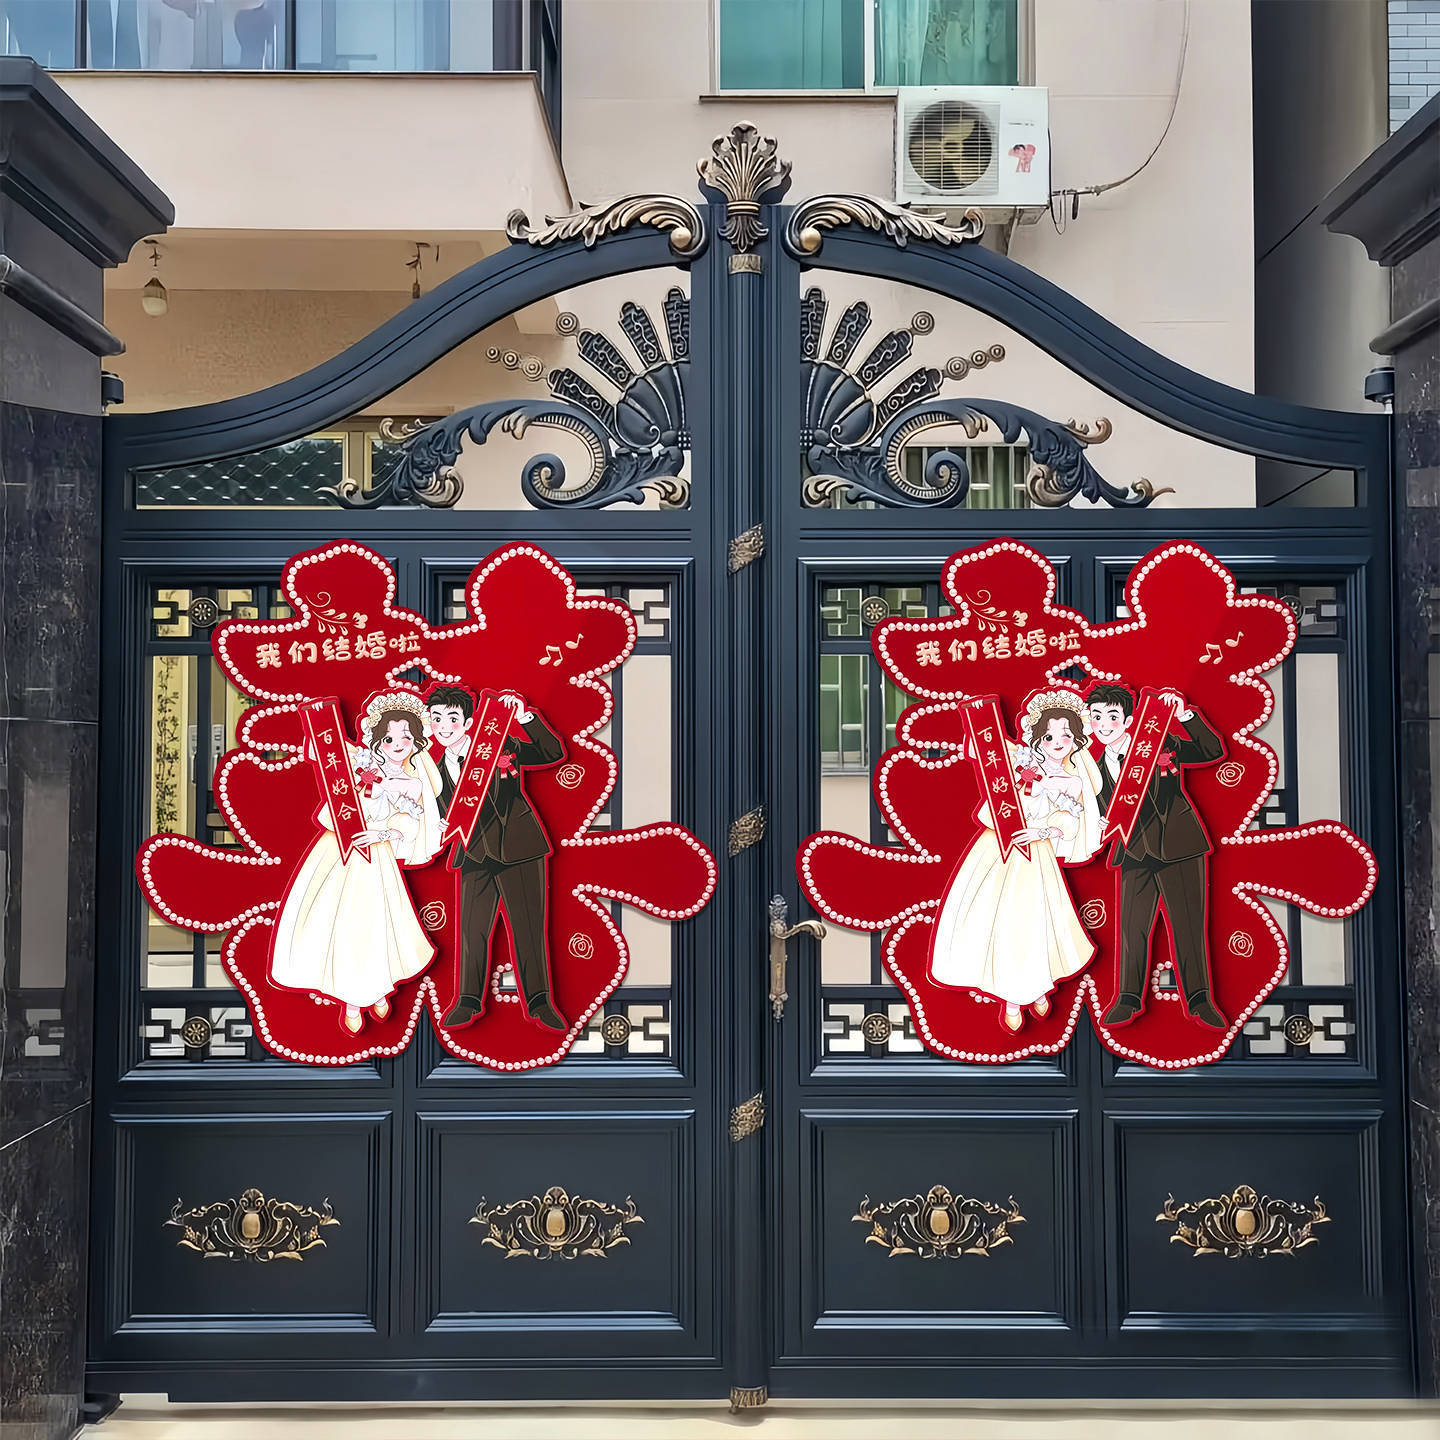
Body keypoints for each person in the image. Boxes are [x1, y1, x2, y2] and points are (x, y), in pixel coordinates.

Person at [929, 688, 1105, 1032]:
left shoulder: (1071, 782)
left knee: (1030, 923)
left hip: (1035, 856)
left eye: (1066, 736)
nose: (1058, 742)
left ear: (1076, 740)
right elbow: (979, 749)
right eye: (1050, 736)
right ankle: (1014, 996)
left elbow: (1071, 821)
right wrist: (982, 721)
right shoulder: (1020, 758)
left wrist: (1043, 832)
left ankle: (1034, 988)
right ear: (1037, 737)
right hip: (996, 848)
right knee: (993, 921)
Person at [269, 692, 444, 1035]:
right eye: (389, 739)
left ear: (416, 742)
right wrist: (325, 731)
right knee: (332, 923)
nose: (398, 745)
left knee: (371, 925)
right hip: (336, 850)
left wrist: (382, 834)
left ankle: (373, 989)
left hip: (375, 858)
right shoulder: (360, 760)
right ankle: (356, 997)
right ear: (377, 740)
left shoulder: (411, 783)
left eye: (406, 739)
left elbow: (413, 822)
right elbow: (318, 751)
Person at [425, 684, 567, 1032]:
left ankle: (539, 1001)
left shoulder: (500, 746)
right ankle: (467, 1000)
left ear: (468, 722)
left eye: (453, 718)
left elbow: (551, 752)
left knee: (528, 929)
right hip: (473, 855)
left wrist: (525, 717)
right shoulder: (432, 771)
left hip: (519, 849)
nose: (445, 726)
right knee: (471, 932)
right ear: (429, 723)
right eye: (437, 719)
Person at [1085, 682, 1226, 1030]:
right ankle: (1127, 998)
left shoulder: (1161, 744)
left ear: (1129, 720)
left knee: (1188, 927)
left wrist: (1185, 715)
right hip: (1133, 854)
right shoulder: (1092, 769)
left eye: (1113, 716)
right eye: (1097, 717)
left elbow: (1211, 750)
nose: (1104, 724)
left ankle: (1199, 999)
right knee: (1132, 930)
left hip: (1179, 847)